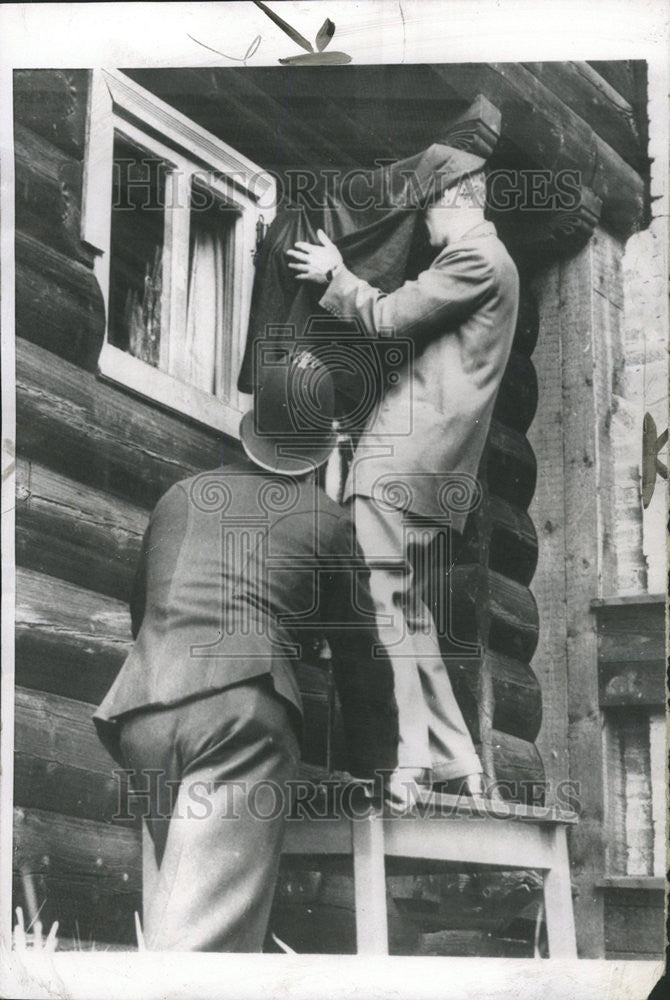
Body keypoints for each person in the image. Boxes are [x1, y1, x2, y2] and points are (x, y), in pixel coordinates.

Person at [93, 352, 402, 952]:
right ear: (324, 445)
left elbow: (147, 617)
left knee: (174, 922)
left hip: (144, 716)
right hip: (238, 723)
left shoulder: (181, 497)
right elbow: (363, 661)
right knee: (202, 953)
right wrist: (375, 771)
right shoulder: (327, 519)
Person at [286, 167, 520, 799]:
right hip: (433, 471)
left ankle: (407, 757)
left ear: (455, 199)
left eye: (427, 208)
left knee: (379, 599)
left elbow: (389, 318)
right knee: (407, 609)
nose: (421, 223)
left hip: (403, 461)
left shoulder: (475, 254)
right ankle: (456, 759)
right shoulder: (499, 263)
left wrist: (336, 275)